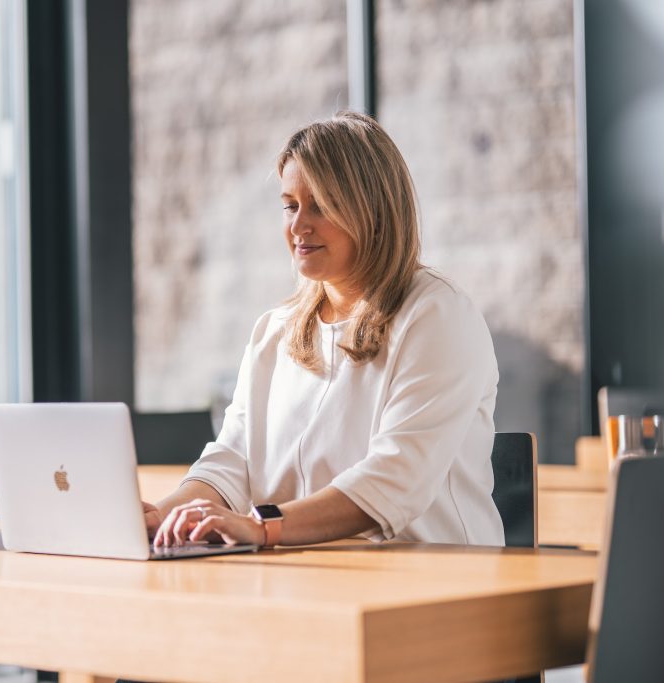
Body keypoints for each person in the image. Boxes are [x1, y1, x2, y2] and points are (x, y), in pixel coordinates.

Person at [146, 111, 505, 549]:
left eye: (320, 205)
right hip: (306, 576)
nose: (298, 226)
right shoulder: (274, 331)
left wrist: (262, 527)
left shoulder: (438, 316)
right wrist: (164, 515)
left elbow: (393, 481)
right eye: (290, 205)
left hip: (435, 582)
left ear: (372, 210)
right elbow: (233, 461)